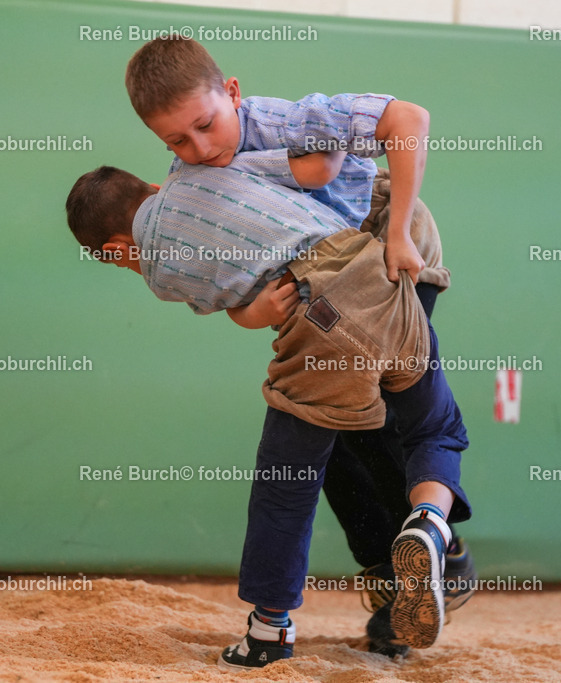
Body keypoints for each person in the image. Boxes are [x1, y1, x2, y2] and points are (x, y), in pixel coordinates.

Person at [123, 36, 477, 655]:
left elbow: (408, 120)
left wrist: (396, 233)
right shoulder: (190, 180)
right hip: (322, 296)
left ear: (231, 92)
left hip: (389, 258)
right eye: (177, 141)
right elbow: (228, 281)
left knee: (376, 421)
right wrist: (251, 310)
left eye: (206, 125)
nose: (200, 149)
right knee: (332, 435)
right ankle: (402, 571)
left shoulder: (290, 121)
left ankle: (440, 555)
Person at [65, 156, 470, 669]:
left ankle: (419, 566)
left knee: (320, 449)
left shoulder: (202, 182)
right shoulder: (197, 178)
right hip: (353, 273)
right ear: (150, 184)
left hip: (389, 240)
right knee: (370, 428)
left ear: (114, 250)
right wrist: (252, 311)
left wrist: (248, 313)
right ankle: (417, 550)